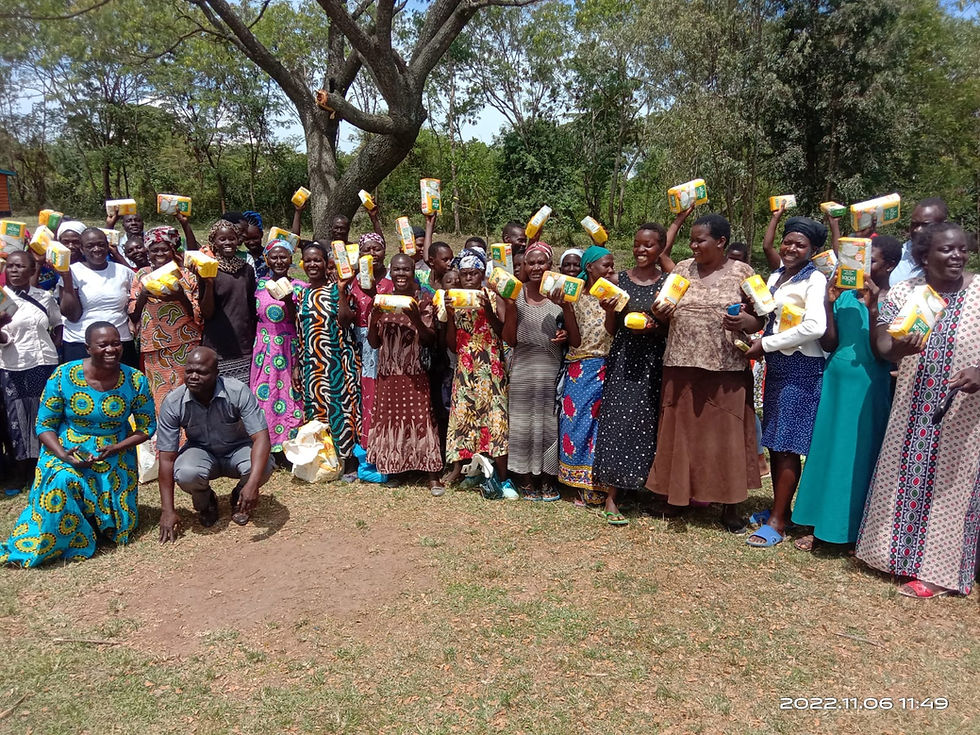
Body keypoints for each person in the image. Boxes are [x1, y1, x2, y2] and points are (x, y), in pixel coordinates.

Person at [856, 222, 980, 597]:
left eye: (961, 249)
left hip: (966, 413)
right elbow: (882, 346)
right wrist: (900, 349)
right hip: (913, 405)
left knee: (951, 488)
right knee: (906, 477)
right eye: (946, 250)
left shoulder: (979, 291)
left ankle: (940, 574)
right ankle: (893, 557)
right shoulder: (904, 294)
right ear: (924, 257)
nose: (957, 256)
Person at [0, 322, 155, 567]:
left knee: (121, 531)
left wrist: (116, 448)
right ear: (88, 348)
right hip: (67, 447)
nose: (111, 349)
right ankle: (53, 542)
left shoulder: (135, 380)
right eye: (103, 344)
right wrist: (63, 455)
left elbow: (147, 427)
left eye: (116, 343)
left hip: (114, 450)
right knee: (62, 480)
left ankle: (93, 523)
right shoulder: (64, 375)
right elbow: (44, 425)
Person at [648, 213, 760, 532]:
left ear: (721, 242)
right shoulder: (682, 269)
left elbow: (762, 318)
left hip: (725, 368)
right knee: (680, 434)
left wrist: (745, 323)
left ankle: (730, 506)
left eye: (700, 240)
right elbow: (663, 308)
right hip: (681, 364)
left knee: (724, 438)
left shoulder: (743, 272)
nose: (693, 245)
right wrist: (660, 311)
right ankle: (677, 498)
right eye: (692, 240)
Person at [791, 232, 900, 551]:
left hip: (869, 382)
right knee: (827, 451)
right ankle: (817, 523)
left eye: (873, 261)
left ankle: (848, 531)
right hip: (837, 377)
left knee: (855, 456)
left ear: (890, 265)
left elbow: (884, 352)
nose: (864, 267)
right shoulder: (847, 295)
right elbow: (828, 343)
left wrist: (876, 303)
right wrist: (828, 301)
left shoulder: (896, 298)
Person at [740, 211, 828, 547]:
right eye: (788, 241)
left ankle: (777, 522)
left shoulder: (814, 280)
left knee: (789, 445)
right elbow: (769, 316)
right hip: (779, 367)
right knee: (776, 442)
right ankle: (783, 510)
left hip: (802, 368)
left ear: (812, 249)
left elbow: (815, 327)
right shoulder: (778, 275)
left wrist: (767, 343)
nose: (791, 248)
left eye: (800, 244)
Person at [157, 347, 273, 535]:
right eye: (189, 371)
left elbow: (261, 438)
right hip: (200, 451)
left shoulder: (237, 391)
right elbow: (166, 458)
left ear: (216, 374)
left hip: (238, 448)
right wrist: (168, 511)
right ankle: (206, 502)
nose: (194, 376)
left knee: (264, 465)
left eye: (201, 372)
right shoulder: (173, 402)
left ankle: (240, 496)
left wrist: (252, 484)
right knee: (187, 472)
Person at [593, 224, 669, 495]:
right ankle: (613, 494)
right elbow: (611, 330)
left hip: (653, 360)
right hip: (624, 357)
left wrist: (654, 327)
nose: (640, 250)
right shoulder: (618, 280)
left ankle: (643, 487)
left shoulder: (666, 283)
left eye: (648, 245)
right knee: (617, 421)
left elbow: (671, 328)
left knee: (648, 421)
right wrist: (609, 311)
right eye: (637, 244)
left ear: (660, 248)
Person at [366, 254, 444, 493]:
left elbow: (431, 340)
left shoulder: (423, 301)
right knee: (390, 419)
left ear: (413, 271)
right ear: (390, 271)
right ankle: (394, 467)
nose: (401, 274)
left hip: (414, 372)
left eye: (406, 269)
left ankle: (432, 474)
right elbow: (374, 342)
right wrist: (374, 319)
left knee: (422, 419)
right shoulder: (382, 301)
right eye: (396, 270)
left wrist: (415, 320)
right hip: (388, 372)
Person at [556, 245, 620, 519]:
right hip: (580, 365)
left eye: (612, 265)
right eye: (605, 265)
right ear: (590, 267)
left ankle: (599, 484)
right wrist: (566, 308)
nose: (610, 269)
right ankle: (579, 484)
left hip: (607, 365)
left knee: (602, 427)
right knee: (578, 423)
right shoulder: (575, 293)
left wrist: (610, 310)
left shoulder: (614, 295)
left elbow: (613, 332)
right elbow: (576, 340)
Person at [502, 241, 566, 500]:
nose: (537, 267)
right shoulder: (516, 294)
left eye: (542, 262)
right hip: (523, 369)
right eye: (531, 263)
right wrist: (510, 307)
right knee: (522, 424)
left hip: (551, 369)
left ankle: (548, 479)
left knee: (549, 424)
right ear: (524, 266)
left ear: (550, 265)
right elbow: (510, 338)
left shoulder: (560, 295)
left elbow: (573, 334)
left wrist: (565, 334)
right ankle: (525, 479)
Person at [443, 248, 510, 486]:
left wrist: (487, 310)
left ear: (482, 274)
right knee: (462, 417)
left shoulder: (493, 296)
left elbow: (504, 333)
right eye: (465, 274)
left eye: (474, 273)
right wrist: (450, 314)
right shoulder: (454, 299)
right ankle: (458, 467)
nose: (469, 278)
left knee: (495, 417)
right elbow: (451, 345)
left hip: (491, 365)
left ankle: (502, 475)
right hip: (465, 366)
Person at [0, 251, 64, 490]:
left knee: (42, 415)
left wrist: (56, 340)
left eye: (20, 267)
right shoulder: (1, 298)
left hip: (43, 363)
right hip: (12, 364)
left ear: (31, 270)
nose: (14, 271)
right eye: (11, 266)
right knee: (16, 418)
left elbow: (58, 322)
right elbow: (5, 338)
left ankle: (41, 467)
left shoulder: (44, 297)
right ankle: (20, 471)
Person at [295, 242, 361, 466]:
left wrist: (342, 291)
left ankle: (347, 457)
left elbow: (345, 321)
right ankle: (324, 457)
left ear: (326, 264)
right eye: (309, 260)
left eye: (318, 260)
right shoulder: (302, 294)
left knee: (341, 407)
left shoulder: (336, 289)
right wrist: (297, 365)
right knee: (317, 407)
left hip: (336, 360)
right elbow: (300, 334)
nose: (313, 264)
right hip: (312, 364)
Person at [129, 226, 202, 416]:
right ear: (148, 252)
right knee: (160, 395)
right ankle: (166, 442)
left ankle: (190, 440)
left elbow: (198, 313)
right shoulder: (141, 275)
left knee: (188, 393)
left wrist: (180, 297)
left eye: (164, 249)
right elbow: (133, 314)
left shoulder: (186, 275)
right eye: (154, 250)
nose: (159, 253)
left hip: (185, 343)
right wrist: (144, 294)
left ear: (173, 250)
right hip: (155, 347)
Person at [250, 238, 305, 461]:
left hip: (289, 346)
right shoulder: (258, 285)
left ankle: (289, 447)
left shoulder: (301, 287)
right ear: (267, 259)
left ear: (291, 259)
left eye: (284, 256)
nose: (279, 261)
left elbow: (300, 321)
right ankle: (266, 445)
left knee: (290, 394)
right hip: (264, 347)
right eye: (274, 256)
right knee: (265, 394)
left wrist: (288, 300)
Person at [59, 228, 138, 367]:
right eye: (90, 246)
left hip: (119, 342)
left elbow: (134, 305)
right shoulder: (72, 271)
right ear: (82, 249)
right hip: (80, 343)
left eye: (101, 244)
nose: (96, 249)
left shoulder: (123, 272)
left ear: (108, 246)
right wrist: (67, 277)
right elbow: (72, 315)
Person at [200, 219, 257, 383]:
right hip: (218, 344)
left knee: (242, 393)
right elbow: (206, 312)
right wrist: (209, 284)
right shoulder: (208, 269)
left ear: (238, 240)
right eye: (222, 239)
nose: (228, 243)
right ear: (214, 242)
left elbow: (252, 308)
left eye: (231, 238)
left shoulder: (247, 269)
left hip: (243, 343)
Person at [350, 232, 392, 453]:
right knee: (363, 394)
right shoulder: (352, 281)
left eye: (377, 248)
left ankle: (386, 446)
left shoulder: (393, 279)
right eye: (367, 249)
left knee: (383, 394)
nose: (372, 253)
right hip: (359, 348)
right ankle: (366, 447)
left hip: (387, 345)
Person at [890, 197, 948, 287]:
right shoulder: (898, 254)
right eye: (914, 224)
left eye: (925, 225)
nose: (917, 230)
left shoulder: (951, 258)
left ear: (943, 225)